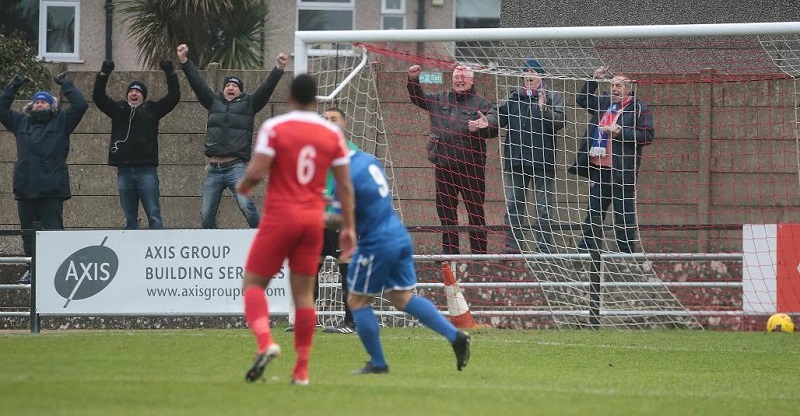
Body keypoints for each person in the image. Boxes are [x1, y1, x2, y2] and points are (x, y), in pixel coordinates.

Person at [237, 74, 356, 386]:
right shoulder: (331, 133)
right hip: (312, 220)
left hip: (280, 217)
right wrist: (349, 227)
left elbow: (257, 171)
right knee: (304, 295)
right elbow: (344, 185)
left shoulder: (275, 127)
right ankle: (301, 369)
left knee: (252, 284)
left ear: (289, 98)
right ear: (316, 100)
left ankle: (265, 342)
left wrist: (245, 185)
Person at [329, 149, 471, 374]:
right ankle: (456, 337)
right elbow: (363, 200)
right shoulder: (366, 160)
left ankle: (378, 363)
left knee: (357, 301)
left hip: (376, 242)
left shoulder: (342, 175)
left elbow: (337, 218)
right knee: (400, 298)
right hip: (398, 235)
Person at [176, 43, 289, 229]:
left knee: (246, 206)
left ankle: (260, 239)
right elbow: (198, 83)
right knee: (205, 215)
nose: (231, 87)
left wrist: (278, 68)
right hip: (213, 169)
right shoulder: (213, 102)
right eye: (228, 85)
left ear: (240, 91)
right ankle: (213, 247)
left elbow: (266, 88)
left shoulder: (250, 104)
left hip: (236, 167)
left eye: (235, 86)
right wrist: (184, 61)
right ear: (223, 90)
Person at [0, 73, 88, 284]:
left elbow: (80, 105)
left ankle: (56, 271)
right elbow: (2, 109)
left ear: (52, 106)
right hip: (26, 188)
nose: (40, 104)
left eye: (44, 102)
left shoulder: (62, 121)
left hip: (51, 189)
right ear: (32, 106)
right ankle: (32, 270)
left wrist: (66, 84)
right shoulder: (21, 123)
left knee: (53, 233)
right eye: (37, 101)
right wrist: (13, 85)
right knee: (28, 235)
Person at [407, 64, 499, 255]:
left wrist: (485, 125)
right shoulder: (440, 98)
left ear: (472, 80)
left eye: (464, 77)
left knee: (475, 212)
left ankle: (479, 254)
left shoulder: (482, 103)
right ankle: (450, 253)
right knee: (446, 212)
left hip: (471, 167)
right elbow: (418, 98)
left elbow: (493, 128)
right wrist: (413, 80)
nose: (459, 80)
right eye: (457, 77)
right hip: (444, 165)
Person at [285, 107, 360, 334]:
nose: (328, 122)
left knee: (346, 269)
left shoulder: (351, 152)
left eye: (334, 119)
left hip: (340, 221)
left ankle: (350, 322)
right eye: (325, 119)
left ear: (343, 124)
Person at [568, 66, 655, 253]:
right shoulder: (604, 103)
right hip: (600, 170)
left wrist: (620, 132)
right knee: (594, 212)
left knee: (624, 214)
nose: (614, 89)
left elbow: (647, 136)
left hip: (622, 171)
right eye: (612, 85)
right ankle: (585, 251)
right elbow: (582, 100)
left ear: (629, 89)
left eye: (618, 86)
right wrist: (594, 79)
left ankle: (626, 253)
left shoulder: (639, 108)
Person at [92, 59, 180, 230]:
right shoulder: (118, 110)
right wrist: (104, 73)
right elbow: (98, 97)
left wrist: (170, 72)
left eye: (138, 91)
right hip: (124, 172)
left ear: (143, 96)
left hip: (146, 171)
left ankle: (156, 248)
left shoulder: (152, 109)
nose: (134, 93)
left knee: (154, 215)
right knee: (130, 218)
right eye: (131, 90)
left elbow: (174, 97)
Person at [498, 59, 565, 254]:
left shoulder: (553, 96)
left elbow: (560, 122)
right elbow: (498, 116)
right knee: (514, 206)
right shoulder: (513, 97)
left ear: (541, 76)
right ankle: (513, 247)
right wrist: (488, 121)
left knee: (543, 207)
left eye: (533, 72)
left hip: (542, 161)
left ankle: (544, 247)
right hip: (516, 160)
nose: (529, 76)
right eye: (526, 72)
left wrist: (545, 110)